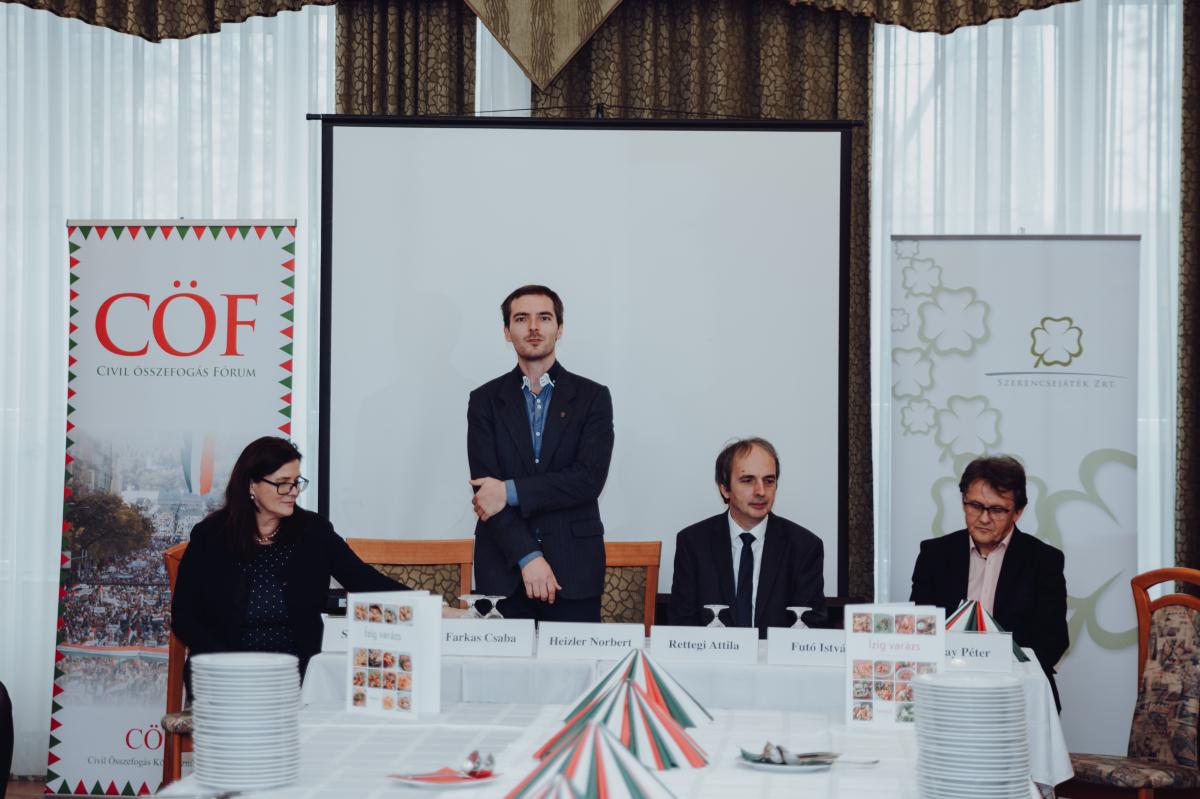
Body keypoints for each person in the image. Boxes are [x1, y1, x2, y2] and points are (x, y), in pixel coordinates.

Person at [171, 436, 411, 690]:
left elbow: (365, 580)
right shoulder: (210, 537)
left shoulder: (314, 532)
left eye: (296, 482)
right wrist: (230, 665)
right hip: (226, 675)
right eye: (283, 483)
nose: (294, 491)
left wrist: (428, 606)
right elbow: (184, 617)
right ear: (251, 485)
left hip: (300, 674)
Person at [467, 285, 614, 622]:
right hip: (502, 572)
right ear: (507, 332)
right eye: (521, 319)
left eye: (544, 318)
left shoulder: (593, 397)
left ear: (559, 328)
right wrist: (528, 556)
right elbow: (486, 494)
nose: (533, 327)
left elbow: (587, 480)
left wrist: (509, 490)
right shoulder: (484, 400)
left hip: (574, 572)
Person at [909, 455, 1069, 710]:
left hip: (1016, 692)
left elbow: (1054, 641)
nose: (984, 518)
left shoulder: (1043, 560)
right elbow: (921, 629)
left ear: (1018, 511)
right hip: (946, 688)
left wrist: (1000, 670)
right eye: (975, 505)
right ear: (963, 502)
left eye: (997, 510)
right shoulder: (934, 554)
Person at [669, 437, 827, 635]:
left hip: (776, 655)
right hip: (712, 654)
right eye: (748, 480)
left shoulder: (804, 547)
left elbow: (810, 627)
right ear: (725, 489)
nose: (761, 491)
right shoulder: (693, 543)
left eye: (769, 481)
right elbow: (682, 623)